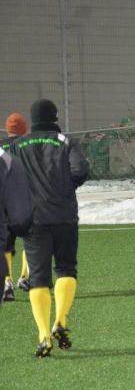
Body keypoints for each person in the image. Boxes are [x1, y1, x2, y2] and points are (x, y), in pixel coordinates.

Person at [12, 99, 90, 357]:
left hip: (33, 219)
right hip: (64, 216)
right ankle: (61, 320)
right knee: (66, 269)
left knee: (38, 279)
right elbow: (81, 170)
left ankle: (44, 335)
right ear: (55, 117)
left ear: (32, 119)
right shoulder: (66, 142)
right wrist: (65, 189)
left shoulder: (18, 145)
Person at [2, 113, 30, 301]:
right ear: (24, 129)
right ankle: (25, 277)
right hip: (25, 199)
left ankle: (7, 282)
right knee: (31, 239)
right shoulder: (28, 146)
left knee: (5, 243)